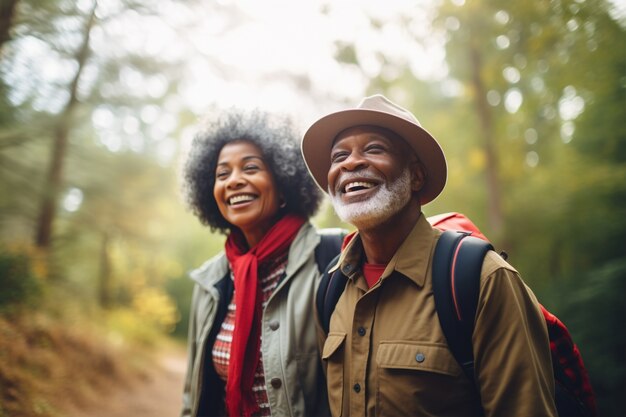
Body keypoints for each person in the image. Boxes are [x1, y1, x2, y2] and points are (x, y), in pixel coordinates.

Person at [301, 94, 557, 417]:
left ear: (416, 176)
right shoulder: (330, 288)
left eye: (374, 149)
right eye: (339, 156)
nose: (350, 163)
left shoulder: (481, 280)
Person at [180, 107, 338, 417]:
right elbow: (193, 395)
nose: (234, 181)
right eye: (222, 173)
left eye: (250, 168)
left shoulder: (332, 261)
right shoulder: (210, 280)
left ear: (283, 183)